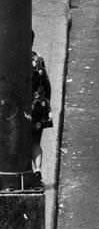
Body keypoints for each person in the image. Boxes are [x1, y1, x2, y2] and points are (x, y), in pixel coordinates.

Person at [30, 35, 51, 172]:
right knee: (36, 142)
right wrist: (48, 105)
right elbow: (47, 85)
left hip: (22, 107)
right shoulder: (39, 60)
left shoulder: (12, 59)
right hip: (39, 106)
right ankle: (38, 170)